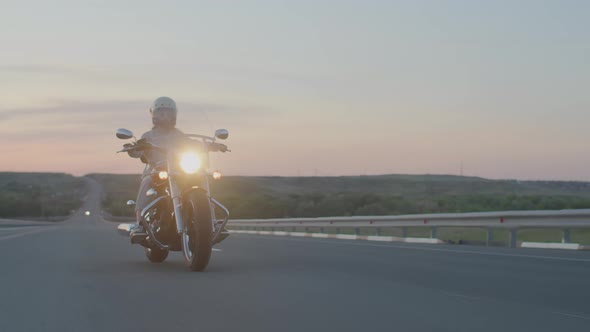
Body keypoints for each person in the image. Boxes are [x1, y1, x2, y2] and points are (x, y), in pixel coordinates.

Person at [128, 96, 227, 237]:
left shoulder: (179, 135)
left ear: (174, 115)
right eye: (161, 113)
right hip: (156, 170)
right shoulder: (149, 135)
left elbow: (192, 143)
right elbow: (137, 151)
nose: (165, 116)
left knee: (201, 178)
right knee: (146, 182)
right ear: (154, 115)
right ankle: (139, 224)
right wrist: (133, 148)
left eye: (168, 113)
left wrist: (211, 145)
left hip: (178, 170)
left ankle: (211, 221)